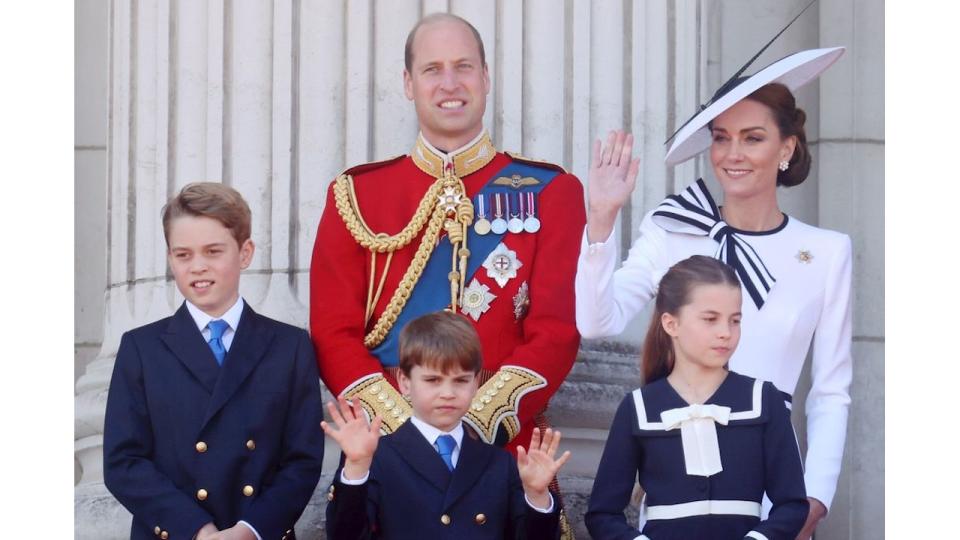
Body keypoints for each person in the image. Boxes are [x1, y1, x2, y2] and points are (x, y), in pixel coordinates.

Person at [576, 47, 851, 539]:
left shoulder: (827, 252)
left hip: (774, 487)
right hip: (676, 482)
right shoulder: (673, 229)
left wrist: (813, 500)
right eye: (721, 138)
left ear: (786, 148)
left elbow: (830, 390)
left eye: (753, 138)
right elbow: (597, 322)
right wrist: (601, 222)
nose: (732, 154)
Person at [309, 13, 584, 458]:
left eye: (464, 66)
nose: (450, 83)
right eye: (432, 69)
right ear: (408, 83)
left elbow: (556, 330)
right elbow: (332, 332)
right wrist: (403, 429)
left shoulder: (552, 192)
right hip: (388, 451)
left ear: (486, 77)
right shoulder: (356, 195)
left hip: (502, 452)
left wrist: (477, 423)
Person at [103, 183, 325, 540]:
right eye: (183, 255)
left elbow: (302, 460)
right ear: (170, 259)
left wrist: (251, 530)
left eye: (213, 251)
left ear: (245, 252)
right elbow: (123, 463)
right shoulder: (141, 349)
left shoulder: (289, 346)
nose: (197, 267)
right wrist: (197, 529)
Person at [585, 255, 808, 539]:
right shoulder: (639, 408)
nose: (725, 333)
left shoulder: (764, 400)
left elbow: (792, 504)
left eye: (735, 320)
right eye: (710, 319)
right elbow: (602, 514)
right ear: (671, 324)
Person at [322, 311, 571, 539]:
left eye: (461, 381)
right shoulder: (377, 457)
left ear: (475, 384)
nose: (448, 393)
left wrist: (537, 496)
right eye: (433, 380)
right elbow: (345, 535)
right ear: (405, 382)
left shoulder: (500, 464)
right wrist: (354, 470)